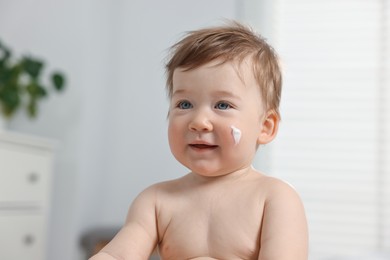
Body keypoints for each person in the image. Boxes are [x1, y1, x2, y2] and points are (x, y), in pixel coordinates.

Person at [90, 21, 308, 260]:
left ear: (265, 127)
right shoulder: (155, 202)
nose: (199, 121)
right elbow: (118, 255)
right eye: (185, 104)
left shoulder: (275, 199)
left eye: (222, 105)